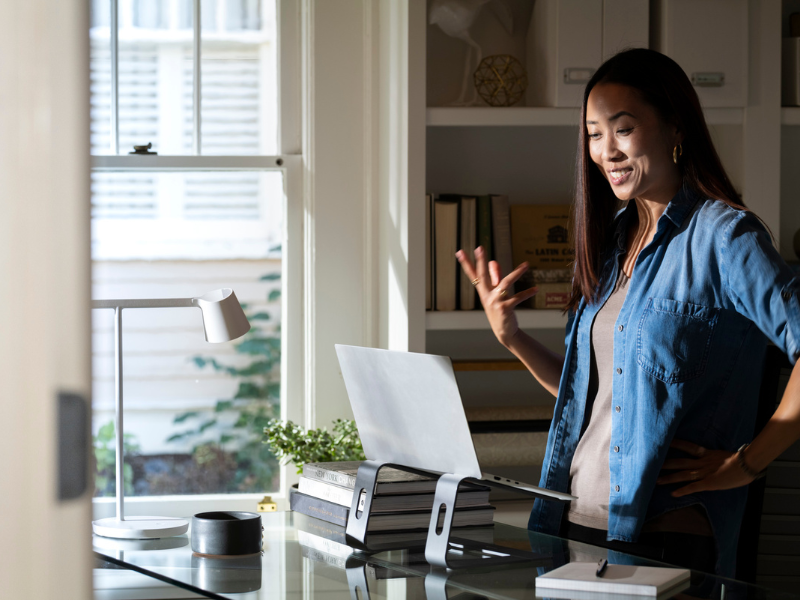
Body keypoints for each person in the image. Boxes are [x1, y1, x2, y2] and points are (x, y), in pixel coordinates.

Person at [455, 48, 800, 578]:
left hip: (663, 533)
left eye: (623, 128)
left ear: (674, 128)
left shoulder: (726, 238)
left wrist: (748, 463)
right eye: (593, 133)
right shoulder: (615, 238)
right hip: (574, 520)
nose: (605, 151)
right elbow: (599, 394)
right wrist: (512, 338)